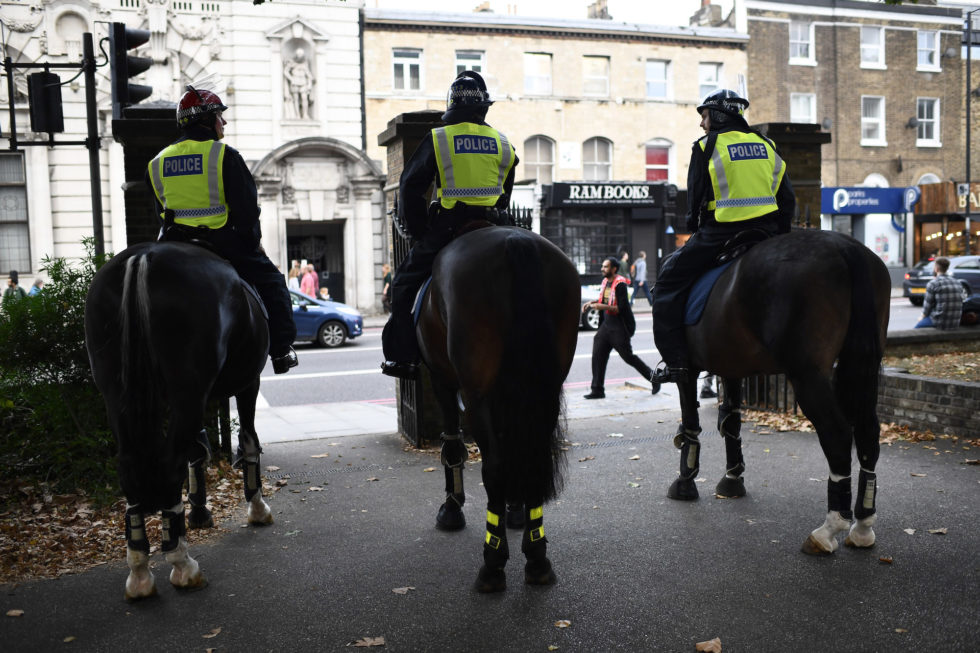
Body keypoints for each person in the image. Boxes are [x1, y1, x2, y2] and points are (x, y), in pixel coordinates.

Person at [146, 84, 298, 374]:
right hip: (223, 241)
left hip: (173, 245)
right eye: (219, 116)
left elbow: (160, 212)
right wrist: (252, 243)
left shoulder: (157, 162)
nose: (223, 122)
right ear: (205, 120)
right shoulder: (224, 155)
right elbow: (247, 211)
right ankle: (281, 351)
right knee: (273, 282)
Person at [651, 89, 795, 388]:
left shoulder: (707, 146)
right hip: (767, 233)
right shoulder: (767, 145)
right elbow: (787, 198)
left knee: (666, 282)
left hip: (721, 232)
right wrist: (780, 235)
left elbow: (695, 201)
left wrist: (695, 227)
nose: (702, 123)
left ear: (718, 115)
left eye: (704, 116)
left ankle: (675, 363)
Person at [381, 71, 518, 380]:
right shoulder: (503, 142)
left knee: (402, 285)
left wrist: (419, 231)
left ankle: (403, 358)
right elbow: (505, 194)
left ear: (452, 108)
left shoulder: (440, 137)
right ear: (484, 109)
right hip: (497, 223)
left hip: (450, 226)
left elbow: (410, 187)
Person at [583, 257, 659, 399]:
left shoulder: (620, 285)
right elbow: (604, 301)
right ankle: (597, 389)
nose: (602, 269)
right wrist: (591, 303)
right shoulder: (605, 282)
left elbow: (621, 308)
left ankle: (654, 379)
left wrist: (601, 306)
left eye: (606, 267)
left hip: (619, 327)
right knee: (598, 355)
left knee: (629, 358)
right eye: (602, 266)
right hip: (606, 326)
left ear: (614, 269)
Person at [914, 257, 962, 330]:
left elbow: (926, 308)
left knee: (916, 330)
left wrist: (921, 318)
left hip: (940, 322)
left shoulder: (933, 283)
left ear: (936, 269)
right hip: (955, 322)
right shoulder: (957, 282)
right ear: (947, 268)